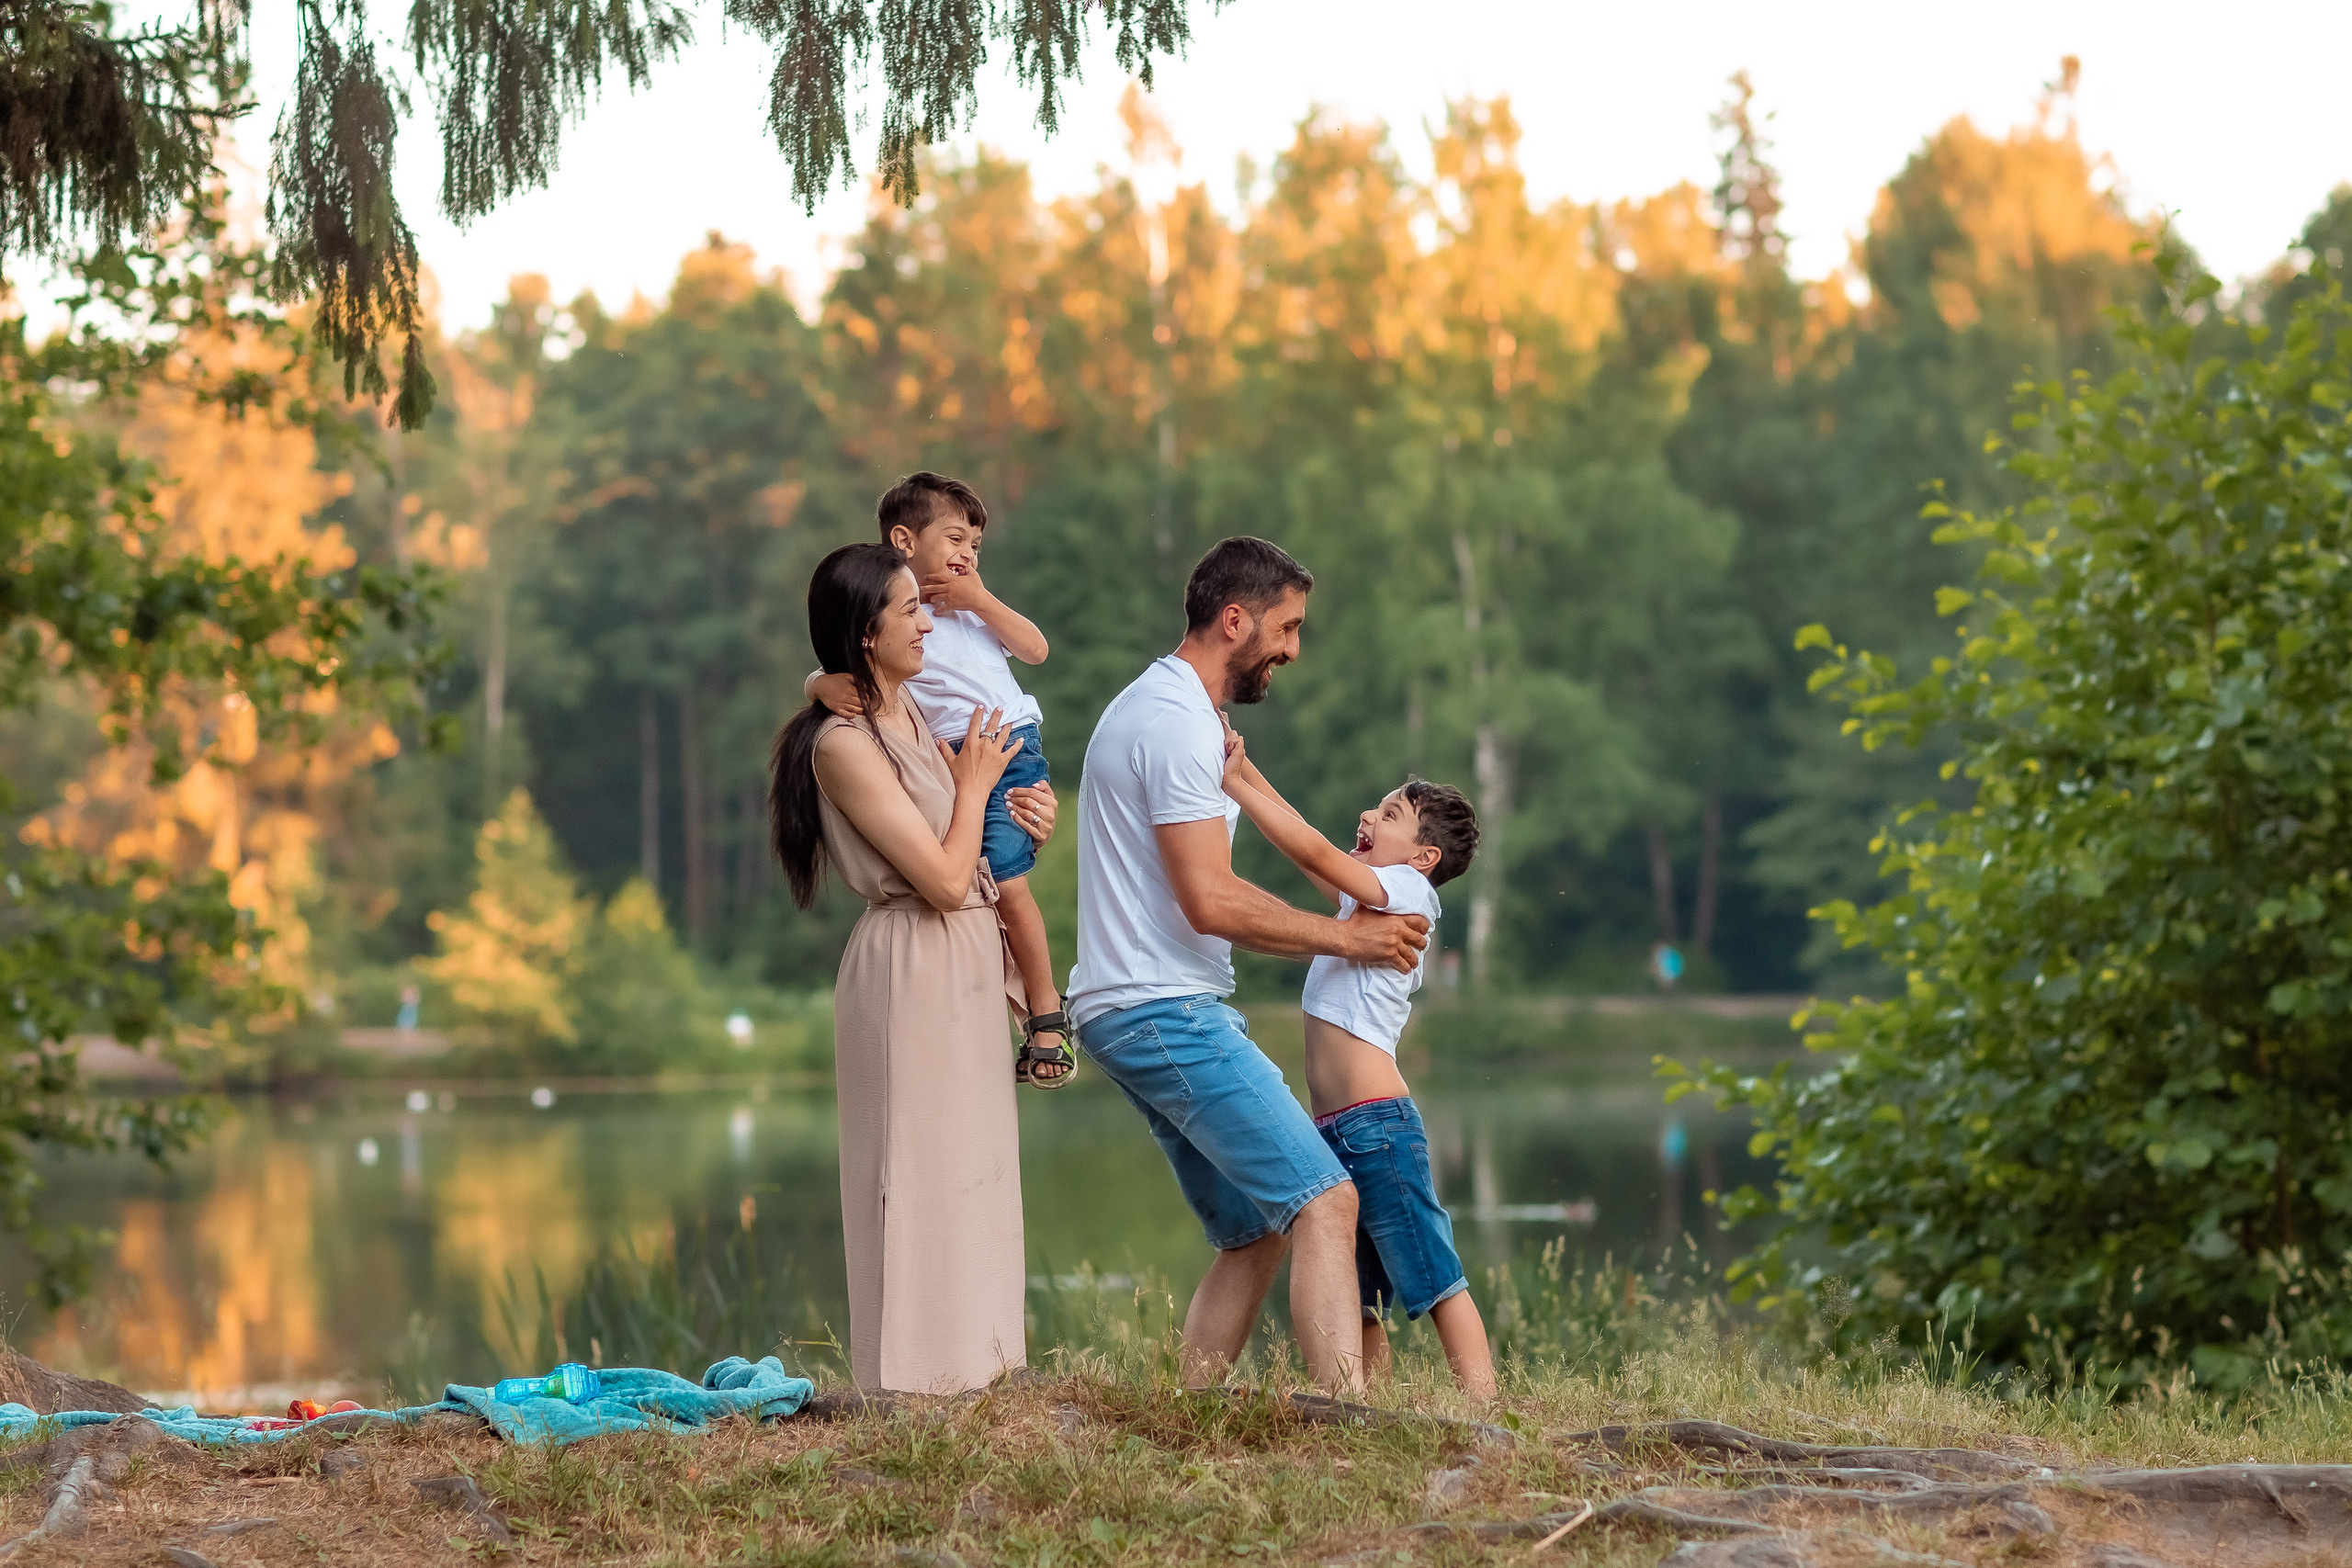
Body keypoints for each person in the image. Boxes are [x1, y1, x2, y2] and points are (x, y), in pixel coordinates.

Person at [1066, 536, 1430, 1393]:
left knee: (1254, 1231)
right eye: (1287, 627)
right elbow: (1212, 900)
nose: (1293, 649)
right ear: (1235, 620)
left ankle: (1188, 1410)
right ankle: (1348, 1421)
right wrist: (1351, 939)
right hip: (1161, 1008)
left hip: (1132, 1006)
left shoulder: (1166, 710)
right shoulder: (1175, 722)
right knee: (1326, 1199)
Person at [767, 541, 1056, 1393]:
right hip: (912, 965)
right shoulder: (841, 744)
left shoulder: (912, 712)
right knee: (915, 1171)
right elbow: (939, 878)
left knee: (975, 1170)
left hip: (965, 957)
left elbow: (972, 854)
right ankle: (911, 1383)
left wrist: (1023, 816)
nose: (928, 624)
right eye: (910, 611)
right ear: (867, 632)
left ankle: (986, 1369)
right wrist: (976, 789)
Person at [1217, 745, 1497, 1400]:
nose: (1368, 815)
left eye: (1390, 813)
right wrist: (1247, 770)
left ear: (1424, 856)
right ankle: (1370, 1405)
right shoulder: (1361, 910)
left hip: (1378, 1126)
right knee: (1360, 1290)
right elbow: (1308, 850)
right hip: (1337, 1128)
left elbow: (1317, 852)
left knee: (1433, 1274)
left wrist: (1234, 786)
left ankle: (1487, 1405)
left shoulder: (1410, 893)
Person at [808, 474, 1074, 1088]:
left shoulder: (968, 611)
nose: (968, 554)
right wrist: (818, 683)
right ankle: (1036, 1010)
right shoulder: (890, 625)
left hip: (1006, 746)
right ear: (904, 540)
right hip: (955, 761)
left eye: (975, 545)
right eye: (955, 539)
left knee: (1007, 881)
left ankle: (1045, 1012)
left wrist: (980, 598)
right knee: (993, 877)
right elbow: (846, 667)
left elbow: (1036, 649)